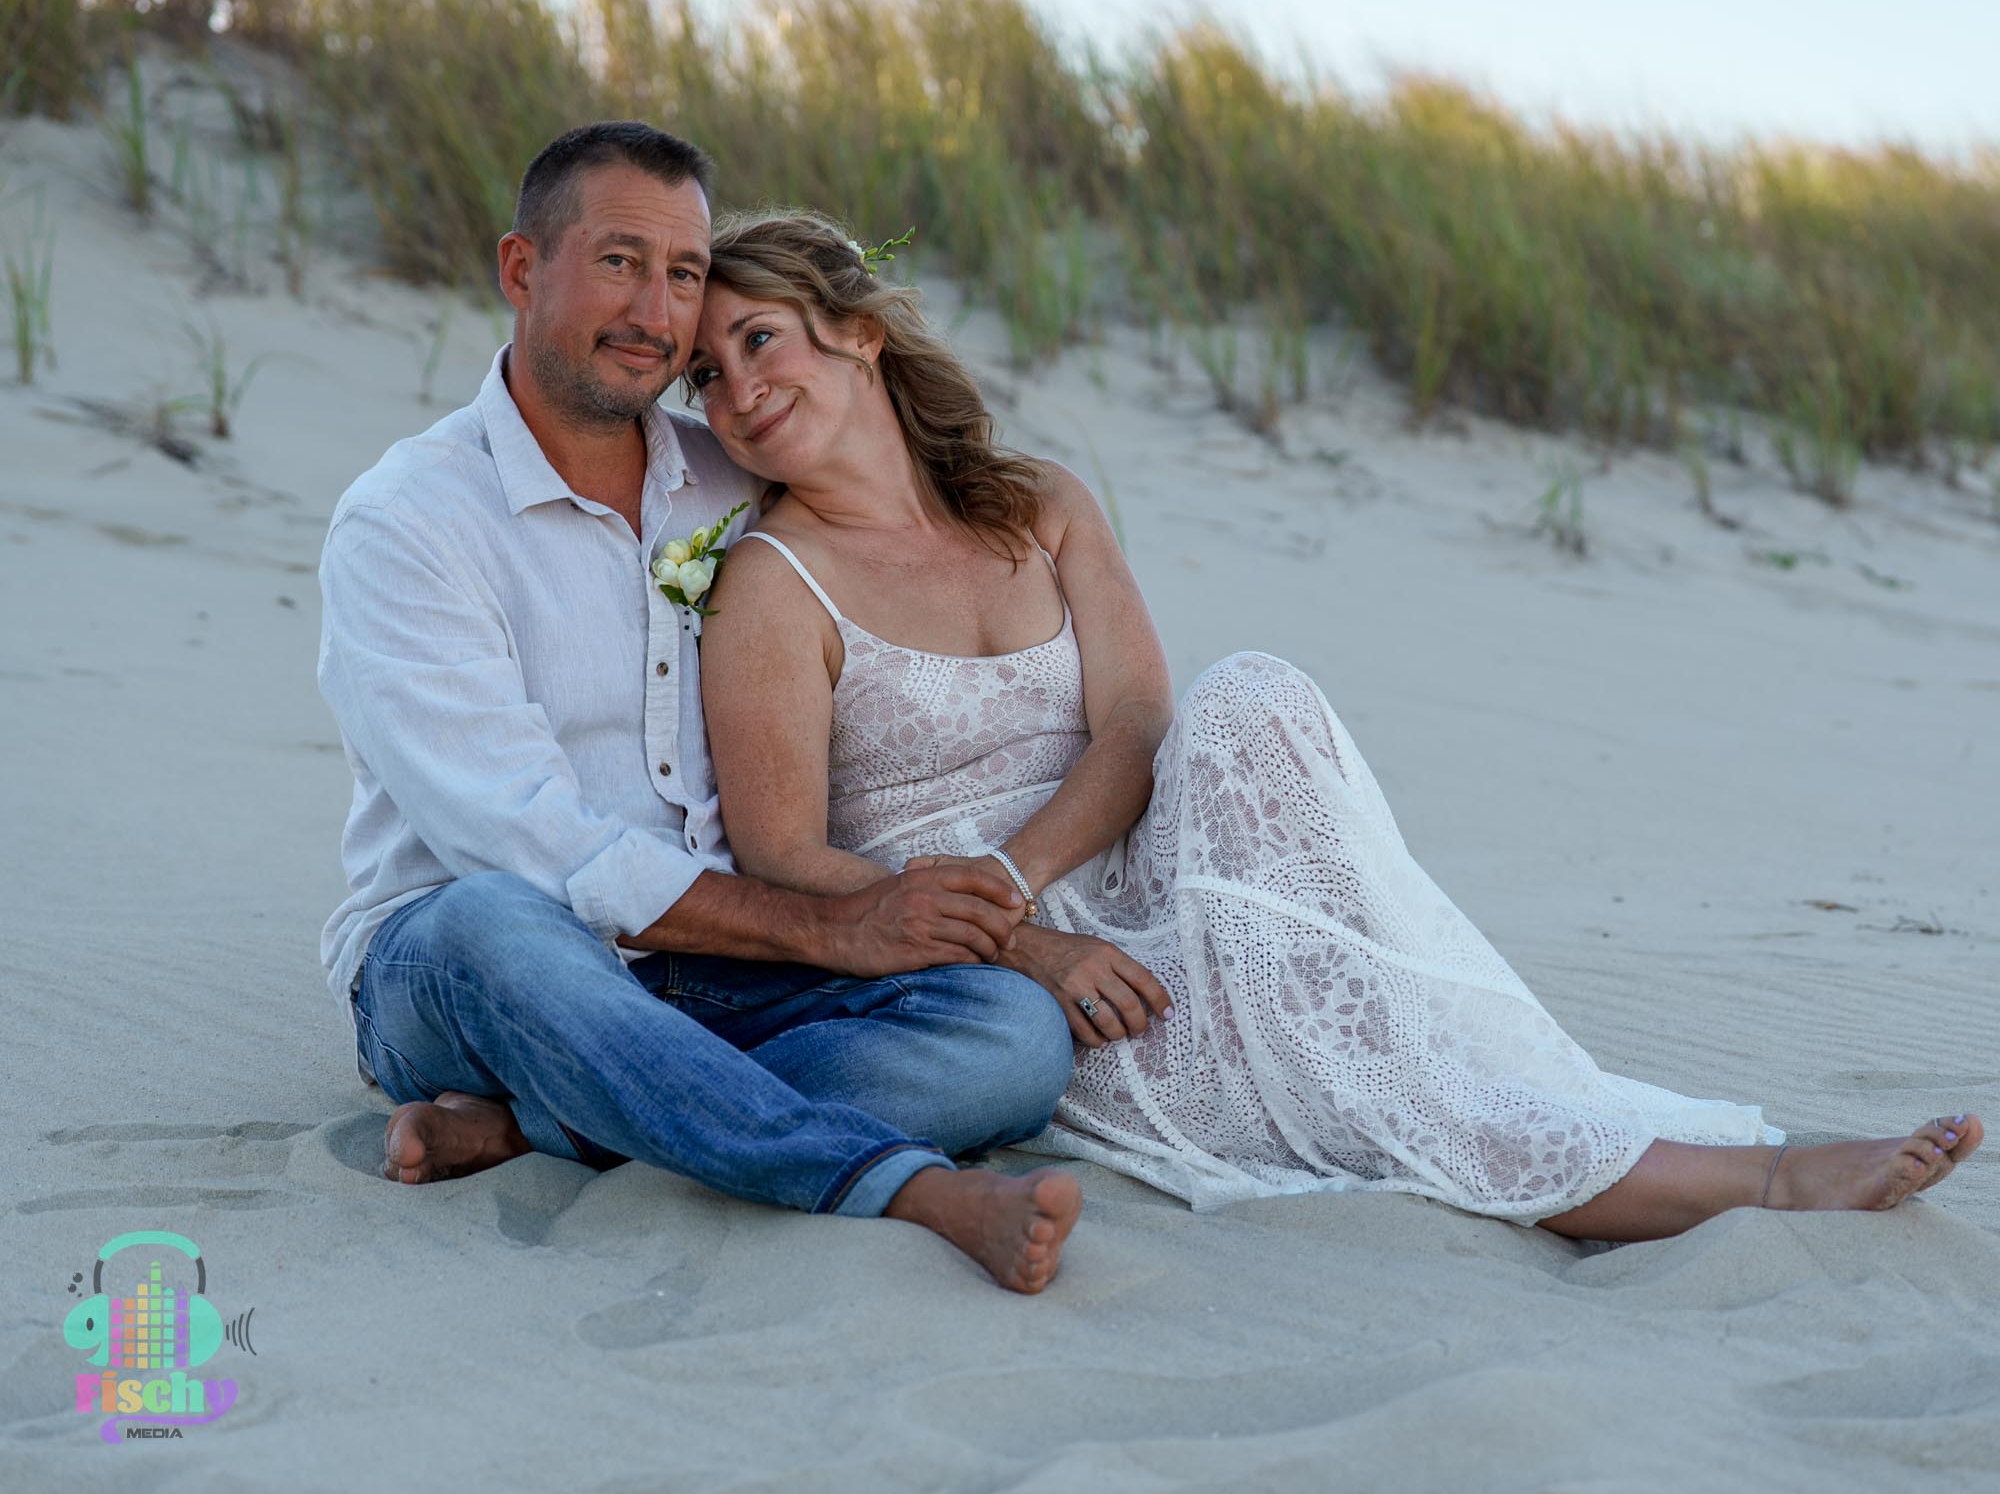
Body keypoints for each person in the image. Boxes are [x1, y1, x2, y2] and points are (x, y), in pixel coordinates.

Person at [685, 207, 1982, 1241]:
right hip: (983, 958)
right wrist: (1023, 935)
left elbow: (1137, 721)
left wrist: (1028, 872)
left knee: (1252, 694)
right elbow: (786, 858)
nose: (736, 389)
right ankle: (1749, 1182)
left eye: (759, 339)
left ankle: (1617, 1140)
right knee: (1320, 1062)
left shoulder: (1038, 503)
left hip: (1124, 866)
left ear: (857, 333)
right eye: (705, 374)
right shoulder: (770, 585)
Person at [316, 124, 1083, 1295]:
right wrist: (829, 929)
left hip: (714, 970)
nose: (657, 313)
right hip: (477, 970)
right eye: (619, 262)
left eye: (683, 273)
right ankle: (904, 1185)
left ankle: (545, 1124)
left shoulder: (731, 474)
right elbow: (528, 843)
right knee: (493, 920)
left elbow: (891, 516)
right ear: (522, 268)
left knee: (1010, 1038)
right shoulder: (408, 521)